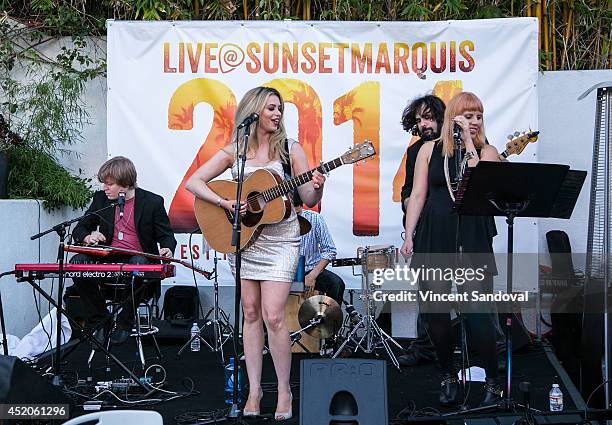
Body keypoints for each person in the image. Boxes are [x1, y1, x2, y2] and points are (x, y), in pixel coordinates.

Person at [185, 86, 325, 421]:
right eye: (272, 108)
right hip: (246, 239)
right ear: (255, 111)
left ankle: (284, 391)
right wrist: (224, 202)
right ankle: (254, 390)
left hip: (281, 239)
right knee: (249, 313)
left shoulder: (291, 150)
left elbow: (306, 197)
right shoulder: (236, 151)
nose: (278, 114)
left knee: (273, 315)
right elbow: (195, 181)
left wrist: (317, 183)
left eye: (280, 109)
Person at [401, 92, 502, 407]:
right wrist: (409, 234)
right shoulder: (427, 151)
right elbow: (418, 194)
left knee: (478, 315)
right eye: (467, 115)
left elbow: (481, 183)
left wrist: (469, 144)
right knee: (436, 315)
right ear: (453, 118)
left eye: (478, 116)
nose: (473, 122)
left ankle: (493, 381)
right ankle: (447, 375)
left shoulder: (488, 151)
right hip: (435, 233)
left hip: (471, 235)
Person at [71, 156, 177, 345]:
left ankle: (124, 322)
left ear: (126, 183)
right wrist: (88, 237)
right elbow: (79, 229)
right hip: (107, 260)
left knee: (140, 263)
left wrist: (167, 249)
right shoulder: (101, 200)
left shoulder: (152, 202)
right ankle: (99, 319)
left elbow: (166, 236)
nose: (105, 188)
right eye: (104, 183)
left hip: (138, 264)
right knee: (77, 262)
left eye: (109, 184)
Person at [398, 94, 445, 367]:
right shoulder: (415, 152)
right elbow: (408, 191)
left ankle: (492, 348)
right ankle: (426, 347)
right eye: (418, 120)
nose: (423, 124)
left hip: (459, 228)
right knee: (427, 293)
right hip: (427, 228)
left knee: (475, 291)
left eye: (428, 118)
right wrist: (413, 204)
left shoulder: (464, 144)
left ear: (441, 117)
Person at [293, 194, 345, 305]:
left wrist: (312, 276)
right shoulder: (276, 221)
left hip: (310, 269)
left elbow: (329, 250)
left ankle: (330, 321)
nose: (295, 218)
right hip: (283, 272)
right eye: (291, 215)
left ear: (302, 206)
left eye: (298, 214)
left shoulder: (315, 218)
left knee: (337, 284)